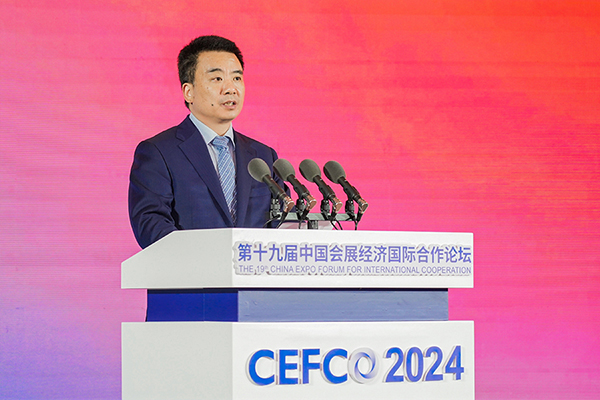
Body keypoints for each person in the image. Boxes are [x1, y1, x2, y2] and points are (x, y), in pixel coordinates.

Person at [128, 35, 282, 249]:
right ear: (188, 92)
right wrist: (210, 259)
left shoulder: (263, 157)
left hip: (252, 269)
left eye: (237, 78)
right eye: (217, 79)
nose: (231, 88)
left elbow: (283, 223)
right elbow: (151, 226)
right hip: (191, 270)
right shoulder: (158, 153)